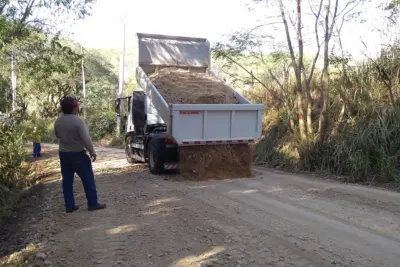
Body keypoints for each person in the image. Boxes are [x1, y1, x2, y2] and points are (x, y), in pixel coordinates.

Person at [54, 96, 106, 213]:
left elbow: (57, 135)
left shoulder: (58, 120)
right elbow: (86, 139)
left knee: (67, 180)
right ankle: (92, 203)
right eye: (76, 106)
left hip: (63, 153)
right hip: (77, 154)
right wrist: (92, 152)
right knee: (87, 178)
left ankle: (69, 205)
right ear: (74, 107)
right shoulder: (78, 121)